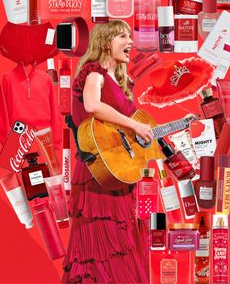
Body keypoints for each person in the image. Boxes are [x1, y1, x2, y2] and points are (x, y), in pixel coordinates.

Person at [63, 20, 153, 283]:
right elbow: (92, 105)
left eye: (130, 36)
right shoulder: (94, 72)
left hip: (117, 170)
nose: (130, 42)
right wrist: (134, 124)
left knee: (119, 243)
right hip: (96, 172)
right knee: (99, 248)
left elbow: (119, 133)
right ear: (105, 42)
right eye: (122, 36)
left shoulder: (119, 79)